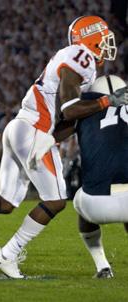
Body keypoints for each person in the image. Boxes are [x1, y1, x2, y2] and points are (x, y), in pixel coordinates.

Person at [0, 16, 127, 278]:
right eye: (104, 37)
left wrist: (58, 134)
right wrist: (107, 101)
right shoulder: (80, 56)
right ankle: (8, 254)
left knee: (6, 202)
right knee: (56, 201)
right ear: (91, 38)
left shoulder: (76, 59)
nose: (108, 44)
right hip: (33, 131)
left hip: (21, 127)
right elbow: (70, 108)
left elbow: (67, 119)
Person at [34, 75, 128, 278]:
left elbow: (55, 133)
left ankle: (102, 266)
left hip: (97, 204)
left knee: (79, 201)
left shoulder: (84, 109)